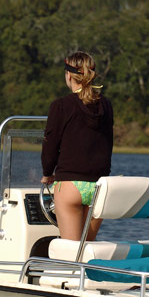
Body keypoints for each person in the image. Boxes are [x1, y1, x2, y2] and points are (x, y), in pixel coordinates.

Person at [41, 51, 114, 241]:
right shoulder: (106, 105)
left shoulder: (61, 105)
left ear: (69, 75)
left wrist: (48, 173)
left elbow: (50, 145)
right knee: (87, 247)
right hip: (100, 186)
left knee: (71, 250)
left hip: (70, 185)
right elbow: (108, 144)